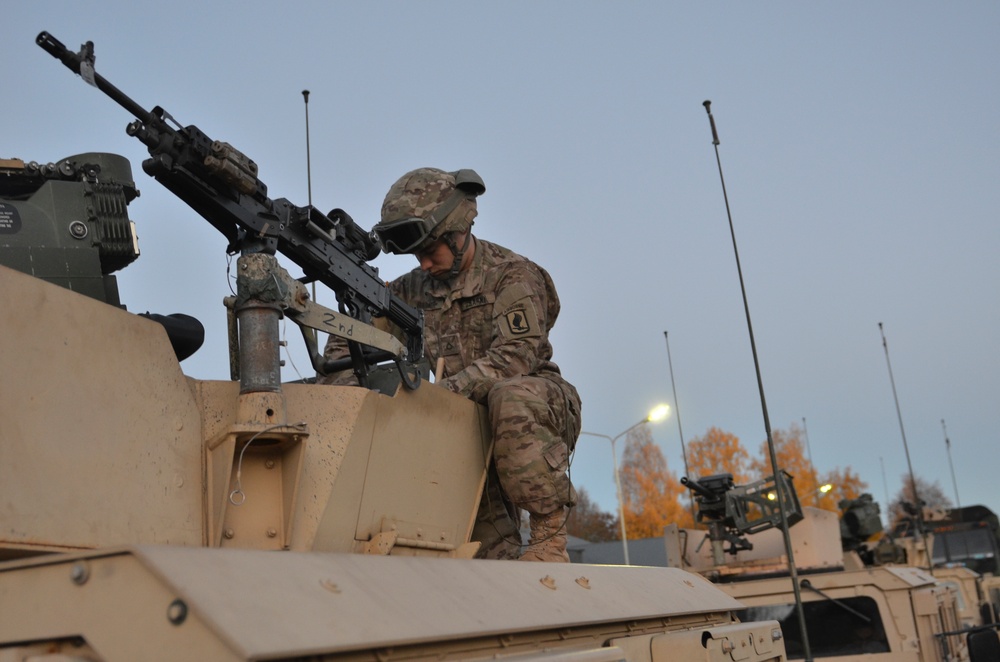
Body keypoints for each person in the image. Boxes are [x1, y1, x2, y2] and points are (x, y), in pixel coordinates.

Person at [321, 167, 581, 562]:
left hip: (532, 408)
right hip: (455, 425)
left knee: (510, 397)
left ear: (459, 234)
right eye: (417, 255)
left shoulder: (512, 274)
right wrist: (351, 394)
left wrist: (434, 397)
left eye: (431, 251)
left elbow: (515, 358)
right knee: (486, 555)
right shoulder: (407, 290)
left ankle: (549, 537)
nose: (424, 264)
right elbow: (344, 348)